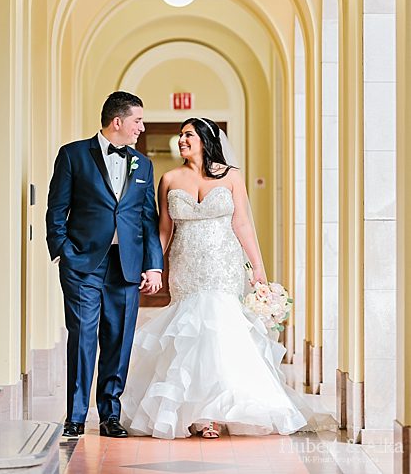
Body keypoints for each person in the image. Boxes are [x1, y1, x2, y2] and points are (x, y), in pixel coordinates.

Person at [120, 117, 334, 439]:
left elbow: (242, 223)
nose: (182, 140)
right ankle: (194, 411)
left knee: (221, 332)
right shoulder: (169, 179)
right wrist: (154, 267)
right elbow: (164, 229)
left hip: (223, 266)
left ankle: (215, 413)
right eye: (180, 135)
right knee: (190, 335)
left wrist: (258, 268)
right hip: (186, 267)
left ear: (205, 140)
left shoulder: (231, 176)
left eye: (188, 135)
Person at [46, 91, 164, 439]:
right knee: (82, 336)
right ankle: (76, 416)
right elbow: (57, 209)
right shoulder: (73, 155)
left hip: (125, 265)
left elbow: (148, 219)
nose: (141, 128)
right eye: (137, 121)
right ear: (118, 121)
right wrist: (62, 251)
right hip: (82, 263)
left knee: (118, 339)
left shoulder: (143, 165)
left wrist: (153, 266)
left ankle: (110, 414)